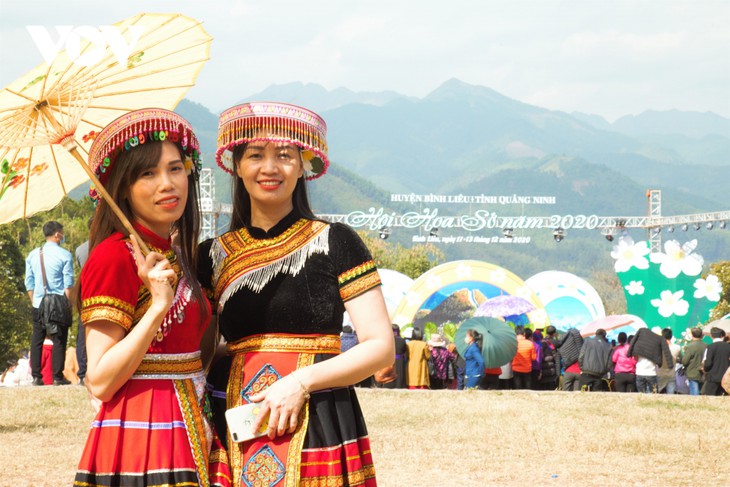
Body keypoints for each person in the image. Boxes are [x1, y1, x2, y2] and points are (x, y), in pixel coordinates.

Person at [199, 102, 393, 486]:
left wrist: (300, 382)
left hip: (318, 414)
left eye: (285, 155)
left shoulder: (336, 241)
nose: (270, 168)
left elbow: (380, 347)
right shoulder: (211, 255)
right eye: (256, 155)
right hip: (235, 417)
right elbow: (201, 355)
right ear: (237, 165)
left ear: (303, 165)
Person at [73, 108, 230, 487]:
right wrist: (158, 307)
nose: (167, 184)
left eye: (175, 169)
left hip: (191, 417)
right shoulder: (113, 257)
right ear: (122, 187)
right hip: (145, 432)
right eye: (148, 173)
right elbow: (100, 380)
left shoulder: (174, 255)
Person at [24, 220, 74, 386]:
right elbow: (68, 284)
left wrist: (34, 301)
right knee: (59, 338)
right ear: (57, 234)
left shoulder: (32, 255)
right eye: (62, 233)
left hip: (38, 302)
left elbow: (29, 282)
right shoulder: (65, 255)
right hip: (58, 301)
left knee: (37, 338)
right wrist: (68, 304)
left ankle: (36, 377)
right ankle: (57, 377)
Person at [74, 216, 93, 385]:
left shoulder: (80, 250)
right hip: (106, 293)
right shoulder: (110, 246)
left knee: (83, 332)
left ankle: (82, 372)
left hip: (85, 293)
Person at [702, 327, 730, 396]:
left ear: (711, 336)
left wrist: (705, 369)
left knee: (710, 397)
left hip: (712, 377)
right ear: (721, 335)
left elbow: (708, 363)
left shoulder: (710, 347)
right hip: (725, 377)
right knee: (724, 398)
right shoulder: (728, 346)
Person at [680, 327, 707, 396]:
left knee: (694, 392)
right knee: (701, 391)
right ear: (701, 335)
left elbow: (685, 361)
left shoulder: (690, 346)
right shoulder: (706, 346)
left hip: (692, 372)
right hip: (703, 372)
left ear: (692, 335)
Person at [657, 328, 681, 394]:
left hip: (660, 373)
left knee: (656, 394)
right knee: (670, 395)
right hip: (671, 374)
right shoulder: (677, 347)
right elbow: (680, 359)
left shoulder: (659, 348)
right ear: (671, 336)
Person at [538, 326, 561, 390]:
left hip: (542, 373)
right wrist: (558, 374)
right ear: (554, 333)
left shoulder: (540, 343)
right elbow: (557, 359)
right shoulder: (555, 343)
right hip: (551, 373)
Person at [390, 324, 409, 389]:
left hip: (389, 361)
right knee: (399, 377)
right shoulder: (402, 340)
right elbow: (405, 351)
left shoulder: (387, 340)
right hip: (399, 361)